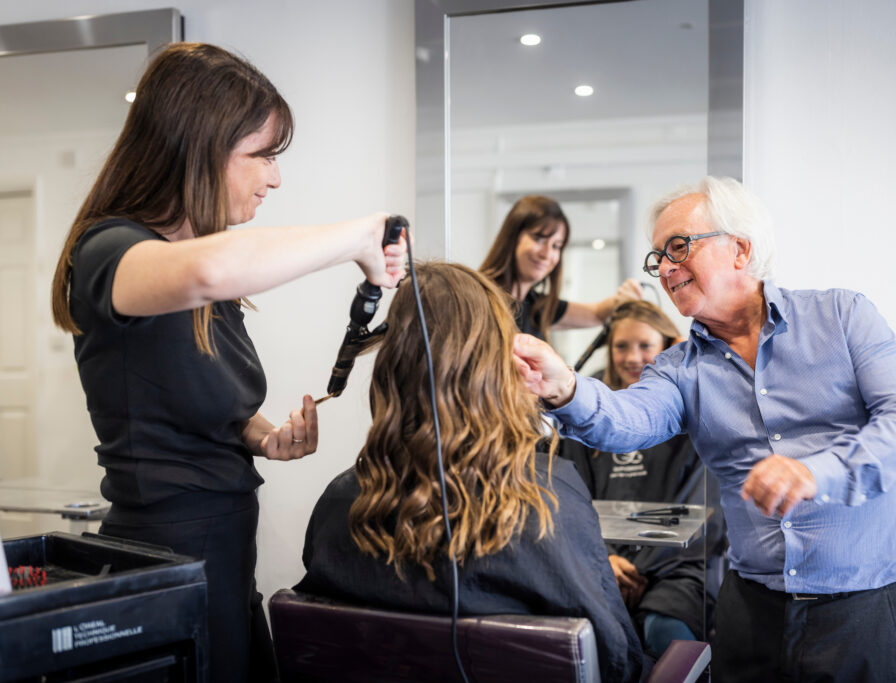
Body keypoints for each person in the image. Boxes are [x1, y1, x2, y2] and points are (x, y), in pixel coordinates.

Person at [49, 43, 407, 683]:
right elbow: (210, 268)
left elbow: (183, 391)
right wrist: (356, 237)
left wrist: (259, 435)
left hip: (222, 546)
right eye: (263, 155)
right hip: (165, 549)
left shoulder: (190, 276)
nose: (275, 178)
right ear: (198, 146)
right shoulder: (110, 250)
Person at [513, 176, 896, 683]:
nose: (665, 269)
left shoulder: (843, 317)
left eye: (678, 247)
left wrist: (817, 472)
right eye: (657, 257)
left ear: (740, 248)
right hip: (751, 609)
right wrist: (564, 386)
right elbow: (627, 421)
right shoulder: (677, 367)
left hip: (864, 606)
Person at [295, 262, 645, 683]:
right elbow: (616, 661)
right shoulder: (544, 496)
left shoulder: (338, 503)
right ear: (499, 367)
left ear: (392, 366)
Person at [560, 300, 727, 657]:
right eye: (621, 345)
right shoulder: (587, 416)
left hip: (677, 570)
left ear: (667, 347)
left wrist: (638, 569)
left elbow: (702, 515)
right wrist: (603, 559)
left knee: (664, 635)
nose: (632, 357)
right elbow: (571, 502)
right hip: (603, 565)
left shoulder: (693, 417)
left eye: (645, 346)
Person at [479, 194, 642, 341]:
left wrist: (625, 296)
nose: (547, 254)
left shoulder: (537, 307)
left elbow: (596, 314)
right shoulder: (480, 297)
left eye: (556, 246)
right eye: (540, 239)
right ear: (513, 237)